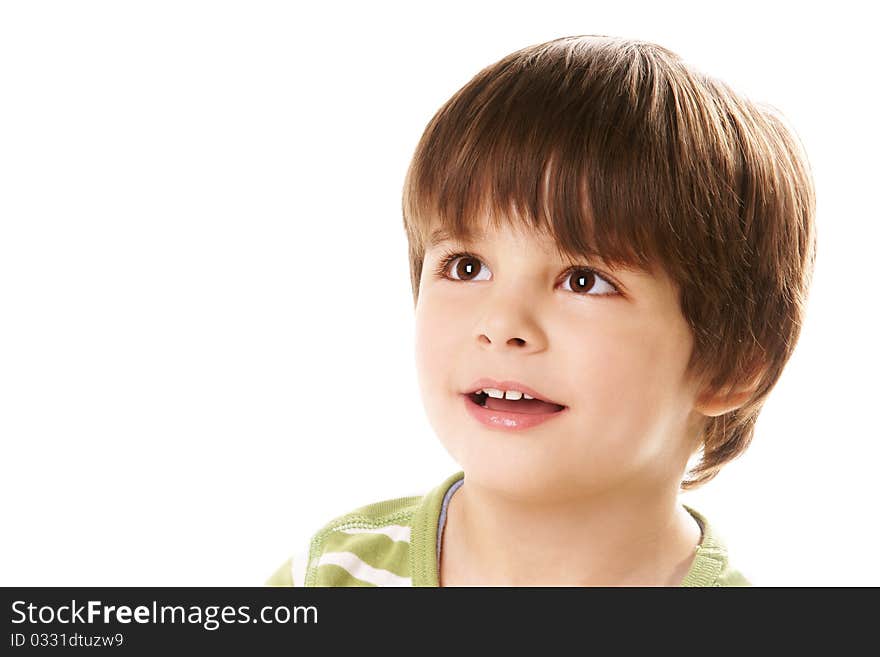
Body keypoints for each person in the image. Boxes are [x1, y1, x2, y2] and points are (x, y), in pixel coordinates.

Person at [266, 34, 816, 587]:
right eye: (466, 267)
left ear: (735, 363)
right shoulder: (328, 577)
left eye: (584, 280)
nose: (502, 324)